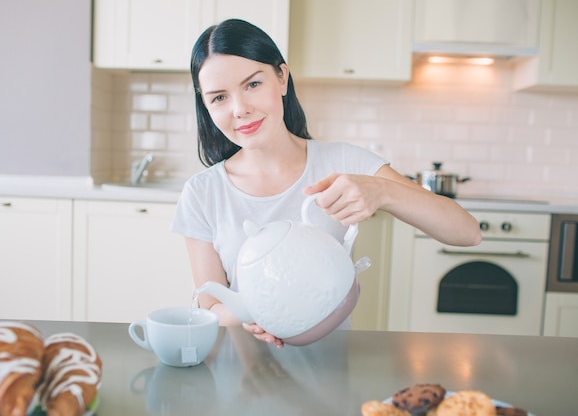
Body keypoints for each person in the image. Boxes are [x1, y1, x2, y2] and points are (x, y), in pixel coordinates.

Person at [171, 19, 481, 348]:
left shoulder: (344, 163)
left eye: (252, 85)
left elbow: (467, 232)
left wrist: (384, 192)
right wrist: (253, 313)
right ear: (206, 106)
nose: (240, 109)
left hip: (328, 368)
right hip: (243, 377)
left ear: (281, 78)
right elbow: (211, 310)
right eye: (219, 98)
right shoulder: (202, 193)